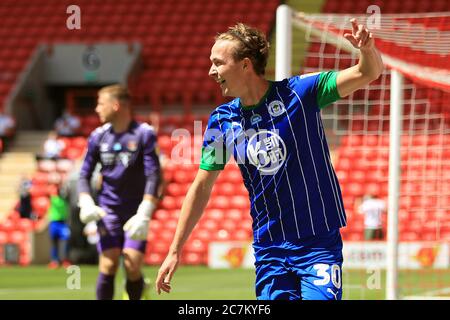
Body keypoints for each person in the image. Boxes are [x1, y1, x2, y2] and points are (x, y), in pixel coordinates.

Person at [156, 20, 383, 300]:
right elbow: (202, 185)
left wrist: (367, 49)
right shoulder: (222, 120)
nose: (211, 71)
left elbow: (367, 72)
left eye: (218, 62)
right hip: (269, 248)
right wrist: (175, 250)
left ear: (245, 65)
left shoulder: (301, 93)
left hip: (318, 243)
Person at [78, 84, 161, 300]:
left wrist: (145, 211)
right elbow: (84, 174)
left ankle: (138, 288)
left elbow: (154, 174)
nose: (96, 109)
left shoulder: (144, 134)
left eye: (100, 103)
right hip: (108, 209)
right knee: (109, 262)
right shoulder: (97, 137)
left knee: (132, 264)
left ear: (116, 106)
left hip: (136, 210)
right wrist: (86, 201)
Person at [45, 184, 71, 269]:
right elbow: (47, 193)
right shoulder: (53, 199)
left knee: (66, 241)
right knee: (54, 243)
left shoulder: (66, 200)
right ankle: (54, 261)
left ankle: (65, 260)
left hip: (63, 223)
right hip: (54, 223)